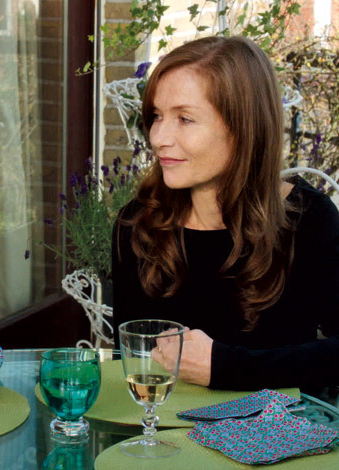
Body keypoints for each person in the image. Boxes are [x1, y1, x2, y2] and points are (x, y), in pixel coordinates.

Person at [111, 36, 339, 393]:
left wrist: (225, 367)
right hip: (162, 426)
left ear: (243, 127)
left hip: (274, 427)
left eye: (185, 119)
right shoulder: (138, 225)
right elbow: (129, 363)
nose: (158, 138)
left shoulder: (309, 221)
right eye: (157, 116)